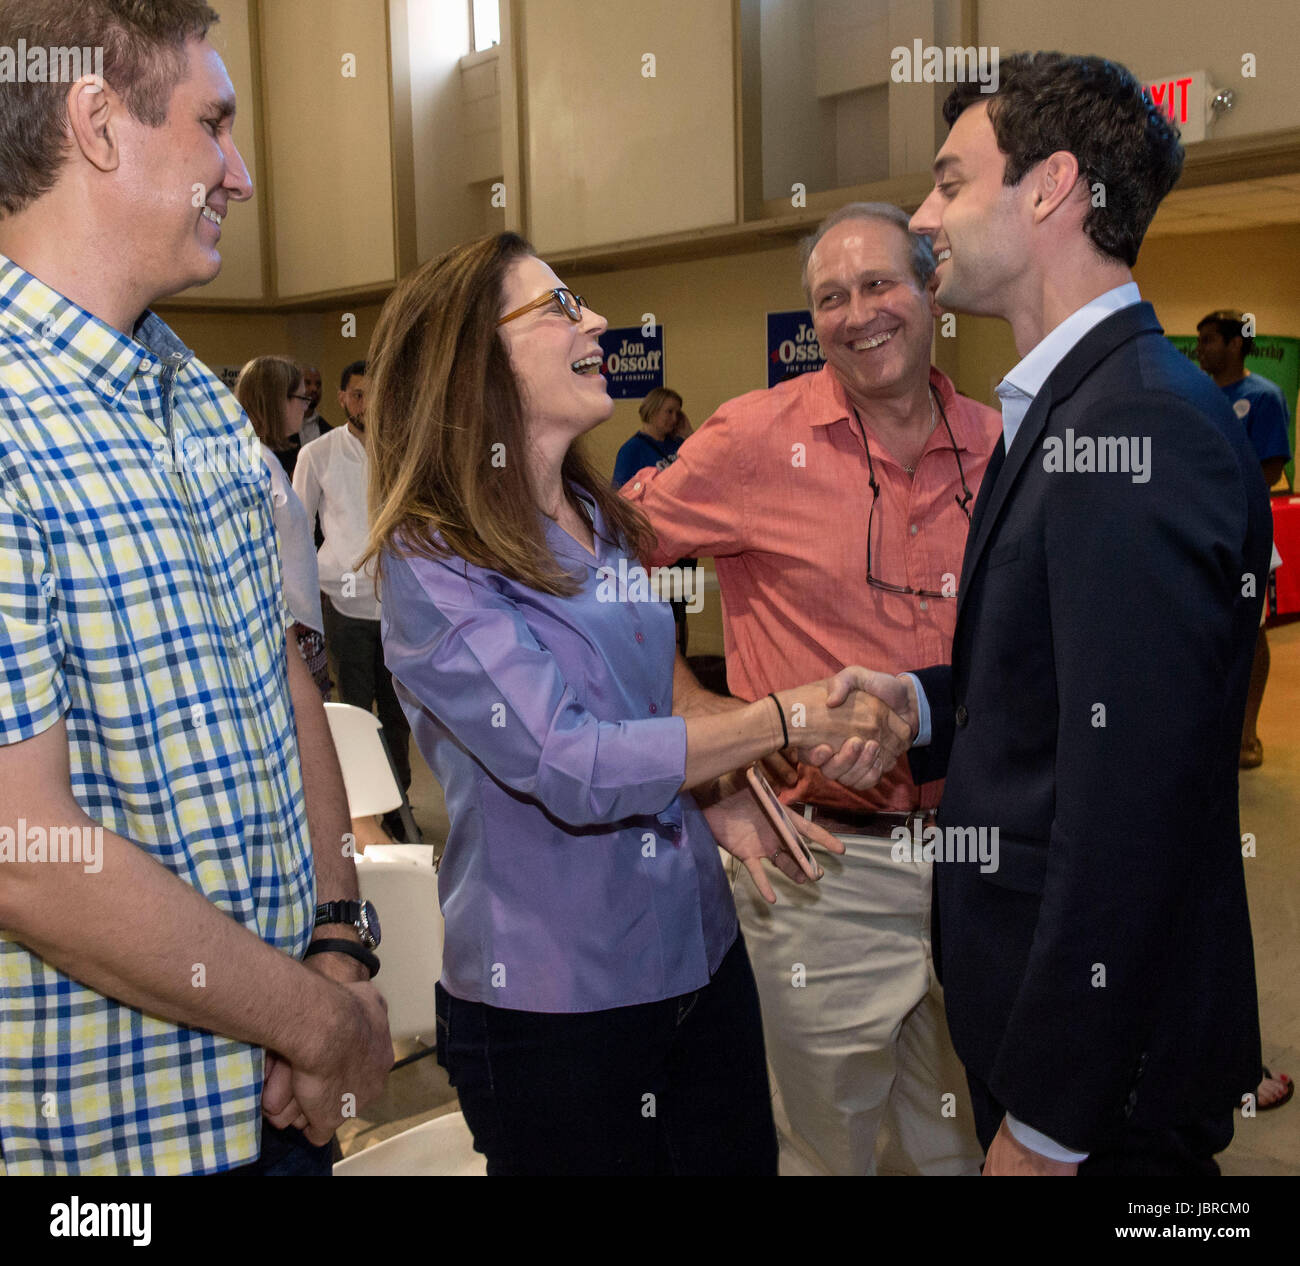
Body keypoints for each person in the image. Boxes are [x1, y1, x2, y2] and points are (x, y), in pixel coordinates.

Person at [363, 231, 912, 1175]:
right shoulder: (434, 561)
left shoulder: (596, 520)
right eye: (562, 307)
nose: (599, 320)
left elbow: (647, 684)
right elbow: (570, 761)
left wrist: (713, 782)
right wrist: (781, 718)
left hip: (697, 957)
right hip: (555, 1008)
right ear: (473, 360)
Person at [829, 50, 1270, 1176]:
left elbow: (1134, 806)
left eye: (947, 182)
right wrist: (922, 706)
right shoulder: (1078, 402)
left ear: (1049, 186)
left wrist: (1049, 1121)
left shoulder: (1136, 428)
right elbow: (1074, 694)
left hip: (1097, 1083)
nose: (922, 216)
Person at [0, 0, 391, 1175]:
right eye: (215, 124)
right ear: (98, 122)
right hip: (105, 1152)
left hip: (276, 1099)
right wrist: (315, 1019)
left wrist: (336, 942)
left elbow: (285, 673)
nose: (242, 173)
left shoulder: (193, 400)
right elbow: (22, 843)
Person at [622, 203, 999, 1175]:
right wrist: (703, 741)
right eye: (829, 297)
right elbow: (598, 566)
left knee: (967, 1141)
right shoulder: (751, 442)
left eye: (879, 284)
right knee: (825, 1149)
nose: (856, 312)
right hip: (824, 869)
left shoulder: (1004, 451)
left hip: (990, 861)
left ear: (929, 294)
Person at [294, 359, 415, 840]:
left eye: (375, 393)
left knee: (400, 711)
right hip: (341, 600)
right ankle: (361, 818)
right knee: (356, 712)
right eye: (357, 394)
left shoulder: (404, 450)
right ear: (343, 399)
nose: (366, 404)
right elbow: (298, 532)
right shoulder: (318, 453)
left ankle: (399, 808)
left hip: (400, 603)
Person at [1195, 309, 1292, 770]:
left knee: (1249, 632)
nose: (1201, 349)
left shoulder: (1264, 397)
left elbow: (1272, 468)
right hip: (1195, 528)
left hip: (1244, 531)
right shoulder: (1193, 392)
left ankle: (1247, 731)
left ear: (1236, 344)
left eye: (1211, 339)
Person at [235, 355, 331, 696]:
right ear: (277, 400)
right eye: (300, 398)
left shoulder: (264, 457)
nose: (306, 407)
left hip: (299, 620)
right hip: (287, 627)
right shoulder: (252, 463)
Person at [613, 388, 696, 653]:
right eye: (668, 411)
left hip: (682, 541)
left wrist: (689, 436)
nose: (673, 418)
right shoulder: (631, 450)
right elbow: (620, 498)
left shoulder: (680, 446)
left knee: (681, 608)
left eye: (677, 412)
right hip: (653, 544)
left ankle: (683, 661)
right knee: (658, 609)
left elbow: (701, 476)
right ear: (653, 410)